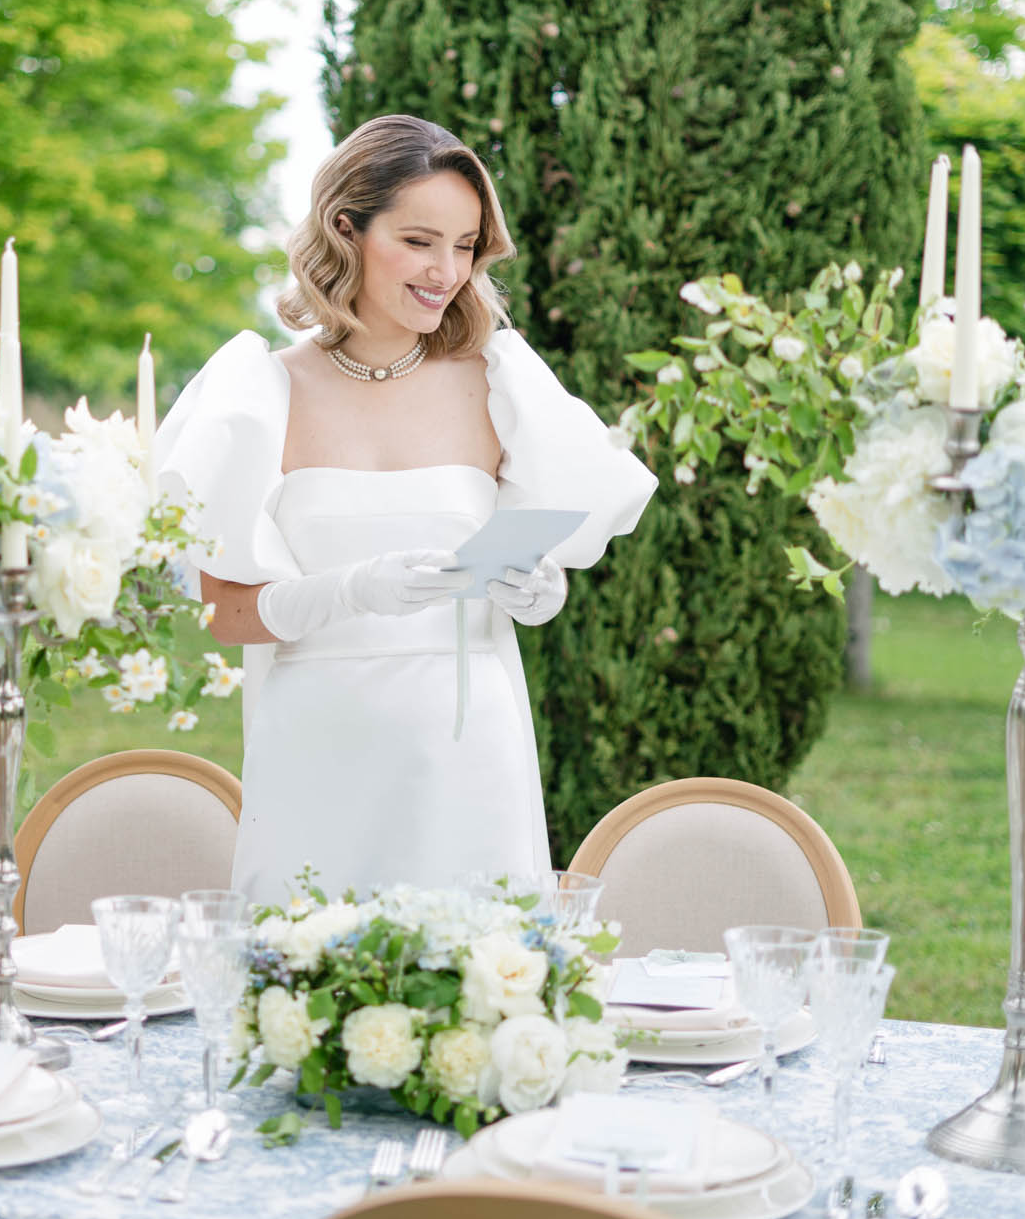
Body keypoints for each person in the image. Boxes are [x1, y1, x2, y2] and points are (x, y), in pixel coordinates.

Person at [156, 114, 656, 906]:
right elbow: (225, 614)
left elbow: (553, 535)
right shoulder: (259, 390)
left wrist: (540, 589)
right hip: (316, 753)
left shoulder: (497, 380)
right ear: (345, 229)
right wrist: (355, 591)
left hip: (468, 753)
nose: (446, 271)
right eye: (420, 241)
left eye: (464, 246)